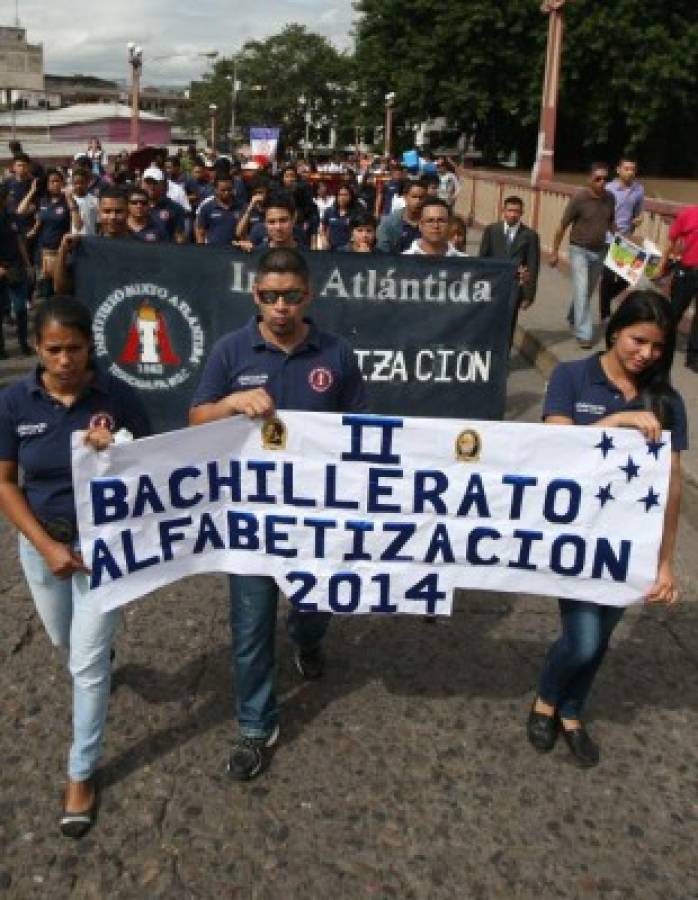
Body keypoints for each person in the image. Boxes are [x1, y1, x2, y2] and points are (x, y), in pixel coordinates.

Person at [189, 247, 367, 780]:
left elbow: (361, 430)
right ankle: (255, 726)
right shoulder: (229, 351)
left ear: (307, 296)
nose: (281, 306)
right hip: (251, 516)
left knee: (315, 607)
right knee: (249, 626)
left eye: (291, 296)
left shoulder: (335, 354)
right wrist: (230, 404)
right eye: (270, 296)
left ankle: (308, 638)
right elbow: (195, 420)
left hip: (316, 514)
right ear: (256, 296)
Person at [0, 295, 151, 836]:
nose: (66, 360)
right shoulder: (14, 402)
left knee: (85, 670)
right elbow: (5, 483)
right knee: (64, 643)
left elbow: (156, 472)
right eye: (54, 350)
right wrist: (44, 547)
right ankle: (99, 648)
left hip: (102, 551)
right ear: (37, 349)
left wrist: (119, 449)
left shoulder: (118, 396)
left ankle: (80, 774)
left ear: (92, 347)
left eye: (76, 349)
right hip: (44, 546)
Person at [527, 290, 685, 767]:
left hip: (628, 545)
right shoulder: (572, 376)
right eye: (638, 341)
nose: (647, 355)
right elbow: (553, 447)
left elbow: (672, 487)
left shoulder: (667, 400)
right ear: (615, 331)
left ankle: (571, 712)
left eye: (658, 348)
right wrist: (616, 421)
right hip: (574, 537)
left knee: (604, 635)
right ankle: (545, 702)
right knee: (584, 638)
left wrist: (664, 562)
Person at [550, 163, 616, 350]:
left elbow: (611, 222)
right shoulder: (579, 199)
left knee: (586, 290)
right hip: (579, 249)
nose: (602, 182)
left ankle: (573, 316)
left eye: (605, 179)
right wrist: (554, 252)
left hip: (600, 250)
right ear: (589, 180)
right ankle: (584, 334)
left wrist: (622, 238)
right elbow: (561, 227)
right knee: (581, 289)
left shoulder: (610, 198)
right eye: (598, 179)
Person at [479, 195, 540, 344]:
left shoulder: (530, 236)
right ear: (503, 211)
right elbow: (482, 259)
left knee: (509, 321)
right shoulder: (491, 231)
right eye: (510, 210)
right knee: (488, 320)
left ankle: (504, 356)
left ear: (522, 213)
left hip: (514, 286)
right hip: (492, 284)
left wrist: (528, 295)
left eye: (517, 211)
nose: (513, 214)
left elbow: (532, 266)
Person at [53, 187, 131, 294]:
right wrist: (62, 251)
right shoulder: (85, 248)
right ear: (99, 213)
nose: (113, 216)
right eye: (107, 211)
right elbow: (60, 288)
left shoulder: (139, 248)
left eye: (118, 211)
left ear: (128, 212)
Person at [18, 170, 81, 299]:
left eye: (58, 181)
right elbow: (20, 211)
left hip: (61, 254)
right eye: (51, 182)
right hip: (42, 255)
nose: (55, 184)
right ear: (47, 184)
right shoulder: (42, 201)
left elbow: (78, 225)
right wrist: (32, 191)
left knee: (61, 292)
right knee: (44, 293)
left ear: (63, 183)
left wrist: (70, 199)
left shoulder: (68, 201)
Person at [599, 158, 645, 321]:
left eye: (633, 169)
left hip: (625, 239)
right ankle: (605, 313)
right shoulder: (609, 188)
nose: (630, 172)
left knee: (628, 277)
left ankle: (605, 298)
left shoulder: (638, 190)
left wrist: (639, 219)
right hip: (607, 237)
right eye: (626, 169)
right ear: (618, 170)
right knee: (609, 276)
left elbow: (639, 212)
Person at [658, 203, 698, 372]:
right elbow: (671, 240)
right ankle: (660, 345)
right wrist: (662, 263)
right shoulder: (689, 214)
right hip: (687, 272)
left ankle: (693, 357)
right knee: (674, 311)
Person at [0, 183, 32, 357]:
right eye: (8, 196)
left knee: (20, 308)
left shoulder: (13, 217)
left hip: (15, 266)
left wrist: (27, 264)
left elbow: (19, 241)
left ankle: (23, 341)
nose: (11, 198)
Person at [376, 179, 428, 254]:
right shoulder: (388, 222)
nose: (418, 201)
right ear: (405, 197)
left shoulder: (432, 222)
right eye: (414, 197)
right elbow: (383, 252)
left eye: (421, 197)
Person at [141, 167, 186, 244]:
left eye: (155, 182)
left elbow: (179, 236)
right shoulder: (133, 205)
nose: (151, 186)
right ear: (142, 184)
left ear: (163, 185)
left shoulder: (175, 208)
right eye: (148, 182)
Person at [195, 174, 240, 246]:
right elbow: (200, 232)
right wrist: (201, 251)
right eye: (223, 190)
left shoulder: (241, 206)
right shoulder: (207, 207)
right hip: (214, 252)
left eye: (229, 189)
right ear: (215, 189)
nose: (227, 193)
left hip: (236, 251)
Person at [320, 184, 360, 251]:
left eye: (345, 195)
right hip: (330, 248)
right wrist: (324, 240)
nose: (342, 197)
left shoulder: (356, 213)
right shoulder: (329, 211)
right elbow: (323, 229)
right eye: (340, 195)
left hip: (349, 249)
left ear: (351, 197)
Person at [70, 167, 99, 237]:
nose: (79, 186)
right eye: (76, 183)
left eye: (82, 183)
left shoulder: (95, 200)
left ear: (88, 182)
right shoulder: (69, 200)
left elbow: (98, 223)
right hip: (74, 240)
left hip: (91, 239)